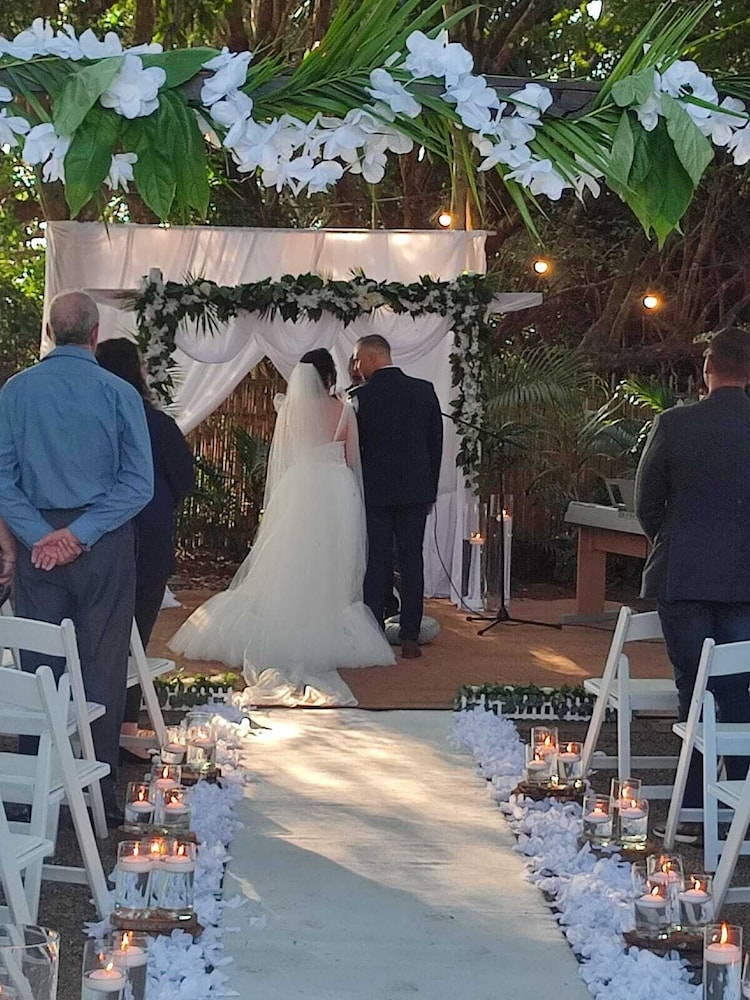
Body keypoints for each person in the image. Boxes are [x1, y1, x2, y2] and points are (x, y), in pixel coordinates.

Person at [0, 291, 154, 824]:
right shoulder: (119, 392)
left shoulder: (15, 392)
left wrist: (41, 535)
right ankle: (97, 796)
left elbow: (2, 476)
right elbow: (140, 484)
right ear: (94, 335)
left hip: (35, 541)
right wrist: (80, 532)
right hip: (104, 542)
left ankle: (30, 791)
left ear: (49, 330)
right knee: (103, 665)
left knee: (39, 663)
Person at [169, 348, 394, 705]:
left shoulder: (290, 411)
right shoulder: (344, 410)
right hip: (336, 491)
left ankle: (289, 622)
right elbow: (353, 459)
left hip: (299, 487)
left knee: (291, 559)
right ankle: (323, 623)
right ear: (330, 376)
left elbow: (285, 454)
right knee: (331, 563)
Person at [635, 326, 750, 846]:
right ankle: (742, 804)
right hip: (745, 578)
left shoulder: (675, 423)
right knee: (738, 690)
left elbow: (646, 503)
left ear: (708, 367)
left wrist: (672, 537)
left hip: (683, 572)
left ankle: (696, 813)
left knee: (695, 689)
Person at [96, 338, 195, 753]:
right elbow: (185, 481)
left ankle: (89, 722)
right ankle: (122, 728)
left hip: (96, 540)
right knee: (136, 638)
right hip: (148, 543)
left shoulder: (91, 422)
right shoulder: (157, 425)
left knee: (94, 636)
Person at [351, 335, 443, 660]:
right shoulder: (424, 391)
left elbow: (355, 449)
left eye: (358, 360)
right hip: (415, 490)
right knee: (411, 560)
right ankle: (409, 636)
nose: (356, 367)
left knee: (376, 561)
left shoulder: (360, 398)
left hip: (375, 492)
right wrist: (428, 489)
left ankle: (372, 631)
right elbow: (435, 445)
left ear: (373, 358)